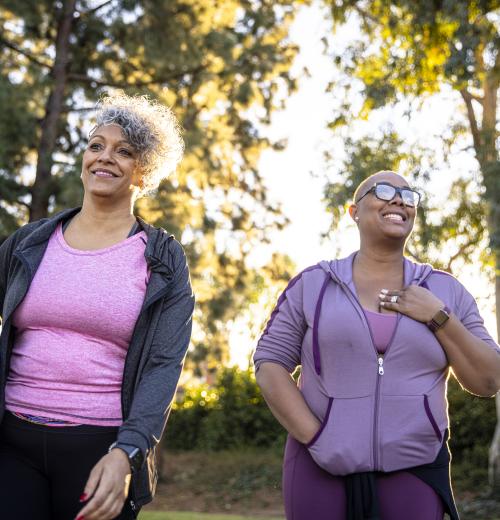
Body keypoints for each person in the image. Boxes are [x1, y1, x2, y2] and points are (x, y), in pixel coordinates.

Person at [254, 170, 500, 520]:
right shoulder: (313, 284)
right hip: (318, 466)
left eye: (408, 195)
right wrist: (317, 438)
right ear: (354, 212)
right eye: (383, 191)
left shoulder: (446, 291)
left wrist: (437, 316)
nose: (399, 199)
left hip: (415, 471)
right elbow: (269, 363)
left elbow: (488, 380)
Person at [0, 91, 194, 520]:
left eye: (124, 151)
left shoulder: (162, 259)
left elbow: (164, 363)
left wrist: (128, 450)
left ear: (143, 172)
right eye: (96, 145)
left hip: (101, 447)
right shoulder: (29, 243)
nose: (105, 158)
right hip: (11, 442)